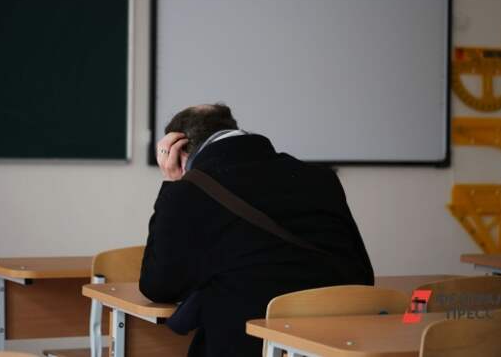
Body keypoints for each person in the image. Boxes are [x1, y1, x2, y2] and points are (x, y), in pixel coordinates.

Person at [139, 103, 374, 357]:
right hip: (337, 344)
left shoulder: (189, 192)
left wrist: (172, 184)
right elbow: (363, 274)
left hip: (245, 346)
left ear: (178, 151)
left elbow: (158, 286)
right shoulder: (322, 178)